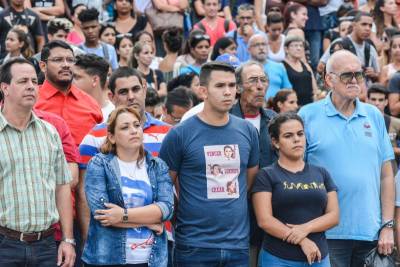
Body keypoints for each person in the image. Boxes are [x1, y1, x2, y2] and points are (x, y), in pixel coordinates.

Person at [299, 50, 395, 266]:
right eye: (346, 75)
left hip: (371, 232)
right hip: (325, 233)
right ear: (328, 79)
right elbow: (296, 174)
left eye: (358, 75)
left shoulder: (374, 115)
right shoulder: (307, 115)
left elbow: (386, 176)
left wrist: (387, 226)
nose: (354, 81)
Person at [159, 62, 260, 266]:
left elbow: (248, 181)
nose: (228, 92)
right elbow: (164, 186)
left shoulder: (248, 131)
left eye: (232, 86)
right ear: (203, 91)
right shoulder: (180, 134)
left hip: (238, 245)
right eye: (220, 86)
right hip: (194, 245)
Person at [78, 67, 170, 246]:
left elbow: (170, 195)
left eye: (136, 89)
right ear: (111, 97)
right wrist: (88, 239)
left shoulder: (169, 134)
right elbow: (86, 196)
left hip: (158, 243)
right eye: (123, 92)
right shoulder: (93, 138)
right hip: (110, 242)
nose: (131, 96)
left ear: (144, 89)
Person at [0, 57, 75, 266]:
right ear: (5, 88)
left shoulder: (50, 132)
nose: (31, 86)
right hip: (5, 245)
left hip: (46, 245)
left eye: (34, 81)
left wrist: (68, 239)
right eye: (23, 81)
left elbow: (62, 187)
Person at [82, 106, 173, 266]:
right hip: (108, 258)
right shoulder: (99, 164)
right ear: (111, 137)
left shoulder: (157, 166)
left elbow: (166, 209)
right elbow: (103, 214)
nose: (133, 130)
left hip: (151, 260)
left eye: (137, 125)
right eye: (125, 127)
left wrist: (123, 215)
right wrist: (149, 221)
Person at [252, 112, 339, 266]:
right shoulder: (266, 175)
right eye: (288, 136)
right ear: (275, 142)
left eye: (300, 134)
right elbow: (265, 221)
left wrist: (305, 228)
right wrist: (303, 241)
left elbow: (334, 216)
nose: (297, 139)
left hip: (319, 259)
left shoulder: (321, 173)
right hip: (278, 258)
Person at [229, 61, 277, 267]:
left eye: (263, 80)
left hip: (273, 212)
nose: (260, 86)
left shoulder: (275, 120)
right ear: (238, 87)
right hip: (237, 213)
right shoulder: (225, 119)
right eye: (253, 80)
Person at [36, 40, 103, 147]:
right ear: (43, 66)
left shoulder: (90, 103)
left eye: (70, 60)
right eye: (58, 60)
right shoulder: (30, 100)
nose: (66, 65)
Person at [319, 11, 380, 89]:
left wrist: (373, 74)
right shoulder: (340, 43)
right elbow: (321, 67)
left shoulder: (370, 48)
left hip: (363, 93)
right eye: (364, 24)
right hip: (342, 92)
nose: (367, 28)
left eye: (370, 26)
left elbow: (378, 75)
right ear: (354, 25)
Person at [248, 33, 292, 100]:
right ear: (249, 49)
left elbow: (288, 92)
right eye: (257, 45)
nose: (261, 48)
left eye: (264, 44)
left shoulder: (279, 67)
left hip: (276, 108)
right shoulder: (243, 68)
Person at [367, 83, 400, 172]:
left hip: (392, 170)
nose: (377, 103)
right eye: (373, 99)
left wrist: (392, 149)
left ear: (386, 102)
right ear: (367, 100)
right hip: (368, 170)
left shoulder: (396, 123)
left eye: (380, 100)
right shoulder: (359, 121)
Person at [73, 53, 115, 122]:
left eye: (77, 77)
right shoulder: (69, 110)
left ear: (95, 80)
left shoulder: (115, 115)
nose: (71, 82)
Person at [282, 35, 317, 106]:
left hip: (309, 105)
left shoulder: (306, 66)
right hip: (292, 106)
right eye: (295, 45)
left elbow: (315, 89)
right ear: (286, 49)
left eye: (301, 46)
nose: (299, 48)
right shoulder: (281, 66)